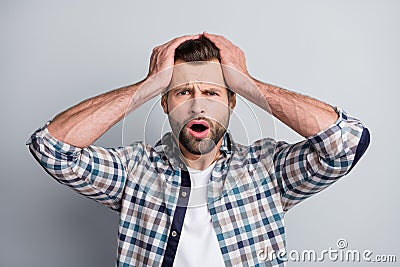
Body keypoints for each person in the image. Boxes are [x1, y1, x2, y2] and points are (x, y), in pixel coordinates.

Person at [27, 33, 370, 267]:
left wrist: (250, 84)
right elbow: (52, 148)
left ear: (232, 102)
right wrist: (145, 86)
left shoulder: (267, 169)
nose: (197, 106)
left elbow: (347, 143)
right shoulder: (134, 169)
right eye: (182, 92)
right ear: (164, 103)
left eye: (212, 93)